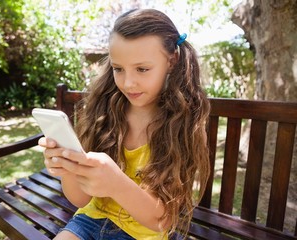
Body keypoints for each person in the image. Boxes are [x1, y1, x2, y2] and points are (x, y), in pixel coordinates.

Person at [39, 8, 210, 240]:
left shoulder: (182, 124)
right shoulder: (105, 112)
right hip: (90, 220)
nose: (128, 83)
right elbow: (81, 200)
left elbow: (161, 221)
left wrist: (116, 184)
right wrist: (68, 168)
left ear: (172, 61)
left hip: (142, 234)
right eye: (118, 69)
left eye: (142, 69)